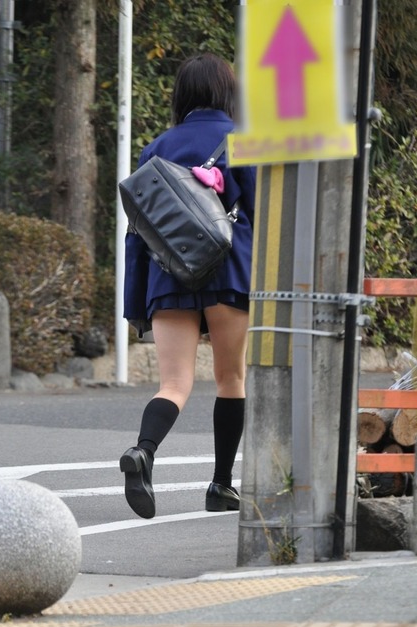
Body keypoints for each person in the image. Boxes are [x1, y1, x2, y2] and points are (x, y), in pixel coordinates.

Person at [120, 53, 256, 519]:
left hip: (169, 275)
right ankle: (221, 485)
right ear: (228, 93)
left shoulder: (156, 147)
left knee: (174, 383)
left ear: (182, 96)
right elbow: (263, 213)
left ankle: (143, 451)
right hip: (228, 274)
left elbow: (138, 231)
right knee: (230, 378)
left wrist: (138, 301)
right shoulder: (244, 141)